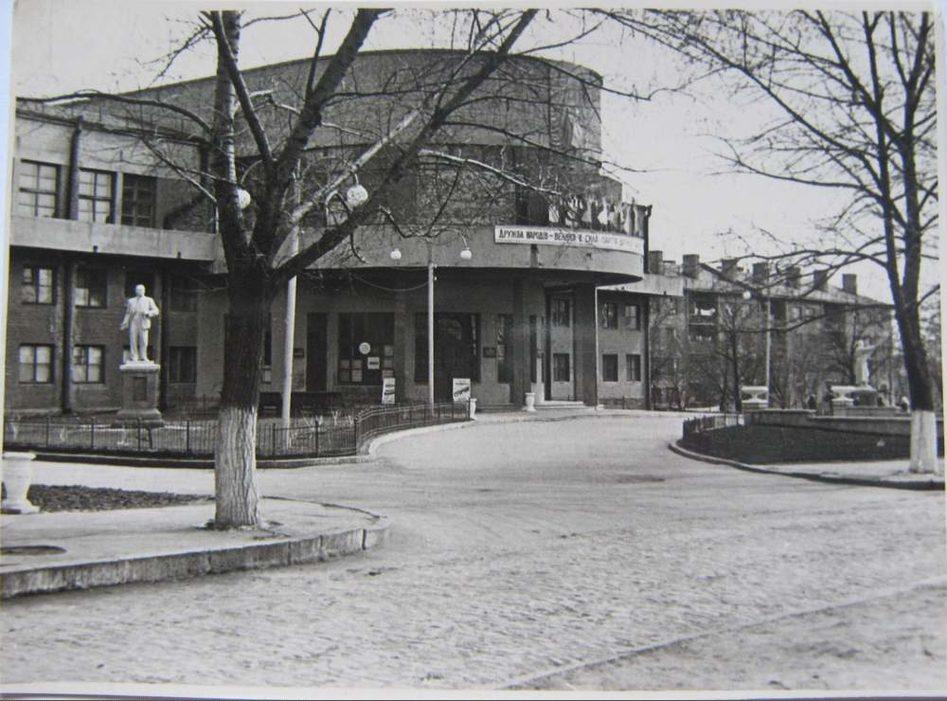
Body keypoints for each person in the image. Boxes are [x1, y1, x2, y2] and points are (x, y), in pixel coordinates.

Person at [120, 284, 160, 363]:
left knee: (144, 341)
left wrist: (148, 313)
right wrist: (125, 323)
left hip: (143, 321)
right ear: (135, 291)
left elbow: (156, 311)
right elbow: (128, 313)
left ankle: (143, 356)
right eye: (138, 290)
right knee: (133, 340)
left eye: (141, 290)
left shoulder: (149, 300)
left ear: (144, 291)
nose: (140, 291)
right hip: (134, 322)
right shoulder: (131, 301)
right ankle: (134, 357)